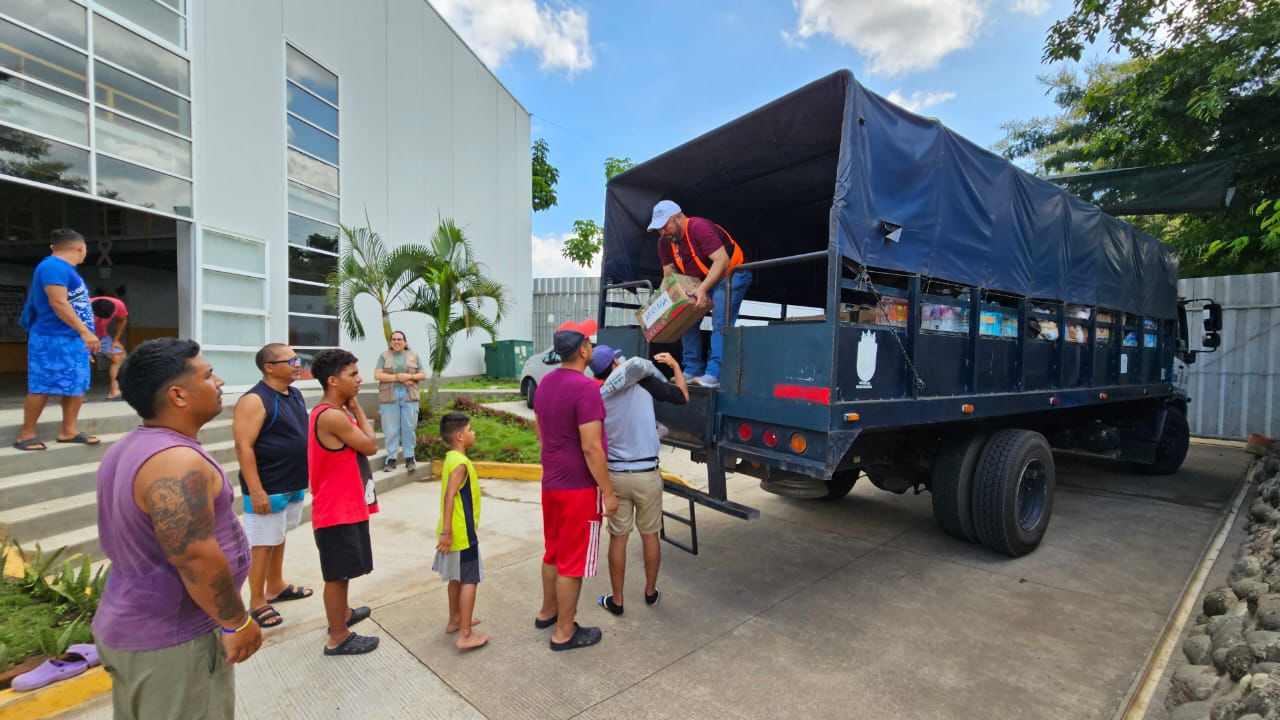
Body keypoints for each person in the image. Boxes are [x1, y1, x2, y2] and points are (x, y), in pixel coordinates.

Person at [93, 338, 261, 720]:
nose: (218, 383)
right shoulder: (176, 462)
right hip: (173, 638)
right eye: (208, 375)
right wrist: (237, 621)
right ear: (178, 395)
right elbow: (195, 557)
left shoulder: (132, 446)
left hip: (141, 626)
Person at [532, 317, 618, 652]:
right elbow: (592, 447)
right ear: (583, 350)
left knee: (553, 552)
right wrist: (608, 492)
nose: (592, 347)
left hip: (551, 483)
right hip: (579, 488)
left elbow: (541, 433)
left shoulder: (544, 384)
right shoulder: (586, 389)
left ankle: (547, 612)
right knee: (572, 561)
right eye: (590, 342)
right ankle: (564, 632)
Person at [589, 347, 688, 616]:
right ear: (615, 362)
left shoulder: (597, 397)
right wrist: (676, 366)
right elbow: (682, 397)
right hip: (647, 474)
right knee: (649, 536)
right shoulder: (644, 382)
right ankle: (650, 592)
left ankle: (617, 601)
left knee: (618, 539)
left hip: (616, 476)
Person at [232, 343, 313, 630]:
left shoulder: (294, 393)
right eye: (290, 360)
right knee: (262, 542)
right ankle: (256, 601)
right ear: (269, 367)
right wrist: (256, 489)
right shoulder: (254, 400)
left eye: (297, 358)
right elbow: (244, 446)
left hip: (293, 482)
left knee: (278, 535)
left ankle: (276, 585)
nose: (297, 363)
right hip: (268, 485)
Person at [308, 348, 380, 656]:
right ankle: (338, 635)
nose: (359, 379)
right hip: (336, 511)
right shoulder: (333, 416)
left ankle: (343, 614)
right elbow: (370, 445)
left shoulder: (330, 412)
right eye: (352, 374)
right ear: (333, 381)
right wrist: (360, 411)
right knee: (336, 575)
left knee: (344, 570)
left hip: (344, 506)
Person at [648, 200, 753, 389]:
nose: (662, 232)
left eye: (665, 226)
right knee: (685, 318)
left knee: (720, 321)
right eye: (658, 229)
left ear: (678, 218)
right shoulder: (664, 242)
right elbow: (669, 274)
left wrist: (703, 288)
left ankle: (714, 374)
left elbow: (721, 260)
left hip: (732, 274)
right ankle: (692, 368)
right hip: (702, 280)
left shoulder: (698, 227)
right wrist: (660, 301)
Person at [14, 228, 102, 451]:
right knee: (42, 385)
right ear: (80, 248)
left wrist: (82, 338)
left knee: (76, 384)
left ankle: (68, 431)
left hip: (72, 339)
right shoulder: (52, 266)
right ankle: (26, 434)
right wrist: (85, 332)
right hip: (52, 337)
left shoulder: (65, 269)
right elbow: (58, 303)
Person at [431, 411, 490, 651]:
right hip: (462, 534)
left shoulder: (451, 459)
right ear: (459, 436)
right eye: (470, 429)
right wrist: (447, 530)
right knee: (470, 580)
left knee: (456, 578)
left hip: (454, 531)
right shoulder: (461, 464)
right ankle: (465, 634)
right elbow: (450, 495)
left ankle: (455, 619)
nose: (473, 433)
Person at [373, 330, 424, 472]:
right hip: (389, 395)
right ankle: (391, 459)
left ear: (405, 342)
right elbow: (377, 375)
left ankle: (410, 458)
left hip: (409, 395)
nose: (396, 342)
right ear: (390, 342)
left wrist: (409, 377)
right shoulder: (384, 356)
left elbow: (422, 374)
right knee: (390, 428)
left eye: (399, 339)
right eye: (394, 339)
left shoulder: (413, 355)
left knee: (409, 426)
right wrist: (398, 378)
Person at [90, 295, 128, 400]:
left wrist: (116, 340)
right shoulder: (82, 305)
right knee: (80, 361)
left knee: (119, 356)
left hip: (100, 335)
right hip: (78, 336)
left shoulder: (118, 305)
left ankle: (114, 392)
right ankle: (76, 395)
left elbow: (122, 319)